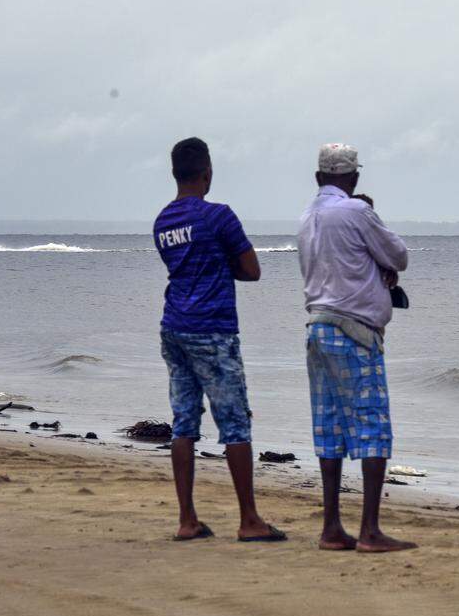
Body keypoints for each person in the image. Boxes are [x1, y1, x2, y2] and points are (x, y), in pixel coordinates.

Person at [153, 137, 285, 543]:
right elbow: (251, 270)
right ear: (207, 173)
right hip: (213, 328)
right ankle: (249, 519)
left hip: (174, 325)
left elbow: (182, 265)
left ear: (175, 174)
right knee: (235, 423)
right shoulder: (219, 217)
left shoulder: (163, 221)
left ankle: (187, 518)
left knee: (184, 422)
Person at [298, 143, 416, 553]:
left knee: (329, 427)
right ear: (354, 178)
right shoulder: (356, 212)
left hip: (318, 327)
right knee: (371, 426)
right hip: (355, 331)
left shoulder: (307, 216)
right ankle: (369, 530)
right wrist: (367, 211)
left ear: (318, 178)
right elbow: (398, 256)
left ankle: (332, 526)